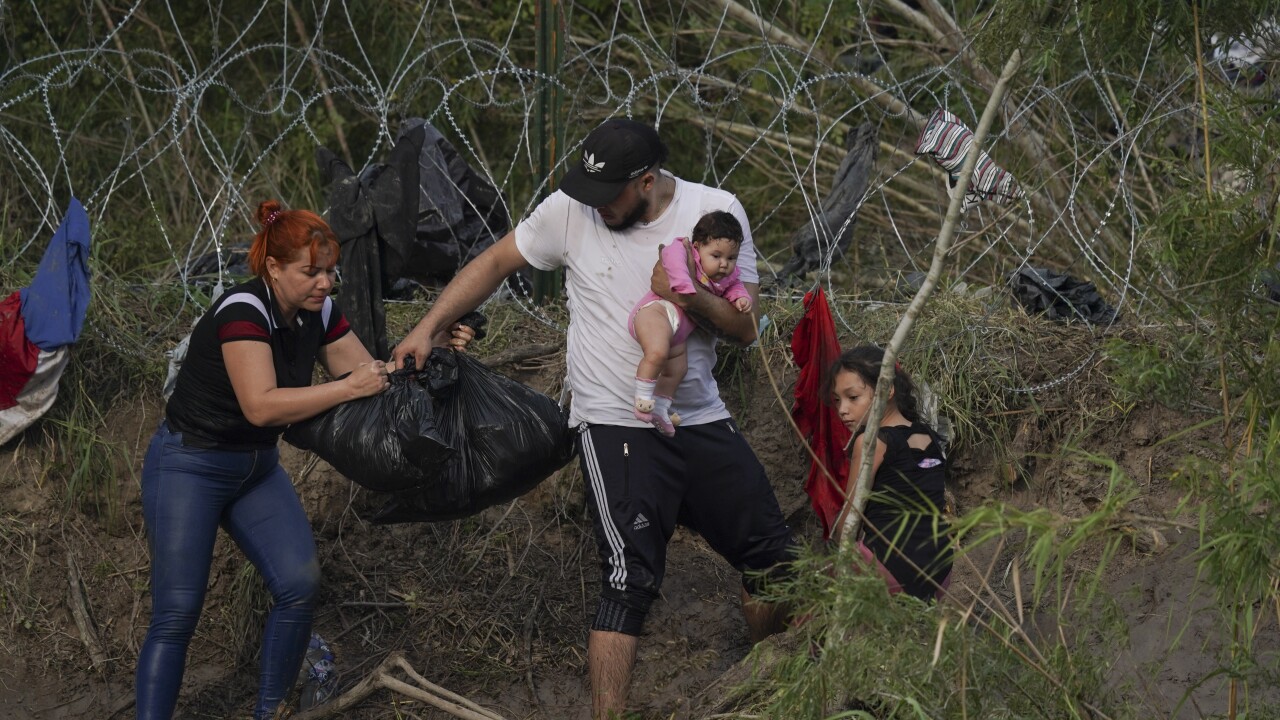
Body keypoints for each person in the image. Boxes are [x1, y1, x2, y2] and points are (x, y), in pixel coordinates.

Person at [392, 118, 796, 719]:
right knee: (628, 580)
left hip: (697, 415)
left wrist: (685, 294)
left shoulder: (715, 212)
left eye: (608, 197)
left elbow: (744, 329)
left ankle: (769, 688)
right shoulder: (571, 210)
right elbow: (497, 261)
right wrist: (427, 327)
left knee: (774, 563)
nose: (594, 207)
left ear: (648, 182)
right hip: (614, 419)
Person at [135, 200, 471, 720]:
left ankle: (272, 711)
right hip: (190, 466)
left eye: (331, 271)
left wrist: (437, 346)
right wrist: (347, 389)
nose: (325, 283)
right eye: (310, 272)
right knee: (176, 616)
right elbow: (261, 405)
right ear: (273, 268)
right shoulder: (243, 310)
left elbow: (371, 377)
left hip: (254, 470)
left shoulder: (320, 312)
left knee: (298, 585)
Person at [828, 345, 952, 601]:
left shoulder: (872, 442)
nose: (842, 409)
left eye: (852, 397)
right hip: (939, 567)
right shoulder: (926, 435)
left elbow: (851, 518)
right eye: (837, 400)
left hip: (890, 565)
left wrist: (839, 554)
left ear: (888, 390)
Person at [628, 210, 751, 436]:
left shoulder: (727, 277)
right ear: (698, 247)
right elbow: (671, 260)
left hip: (679, 333)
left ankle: (661, 409)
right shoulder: (683, 250)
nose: (724, 264)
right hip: (656, 312)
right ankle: (642, 399)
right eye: (716, 256)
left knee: (678, 369)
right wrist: (684, 285)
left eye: (731, 258)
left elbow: (735, 286)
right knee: (657, 352)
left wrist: (741, 298)